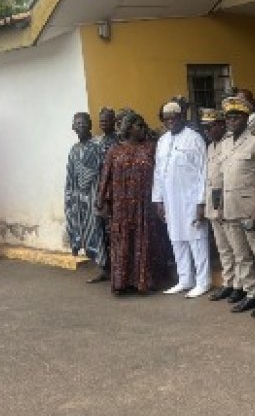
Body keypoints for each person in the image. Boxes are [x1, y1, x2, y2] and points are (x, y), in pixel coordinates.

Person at [220, 97, 255, 317]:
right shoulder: (225, 143)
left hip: (250, 208)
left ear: (245, 118)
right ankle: (251, 293)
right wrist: (221, 207)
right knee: (241, 255)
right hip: (230, 208)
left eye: (236, 117)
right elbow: (223, 179)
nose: (231, 121)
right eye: (228, 117)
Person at [152, 101, 210, 298]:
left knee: (197, 239)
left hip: (191, 199)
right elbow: (158, 172)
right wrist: (158, 200)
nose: (170, 122)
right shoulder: (162, 141)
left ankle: (203, 281)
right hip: (170, 200)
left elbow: (204, 171)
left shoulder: (194, 138)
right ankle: (185, 279)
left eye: (173, 118)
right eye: (166, 119)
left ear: (181, 117)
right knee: (177, 239)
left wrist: (201, 201)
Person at [96, 112, 159, 294]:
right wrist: (101, 200)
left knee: (142, 240)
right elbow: (105, 176)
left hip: (143, 204)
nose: (143, 129)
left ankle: (141, 282)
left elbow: (159, 174)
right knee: (122, 241)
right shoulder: (115, 151)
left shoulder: (149, 149)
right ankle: (121, 283)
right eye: (139, 126)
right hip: (121, 205)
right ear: (130, 128)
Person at [202, 108, 242, 303]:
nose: (207, 131)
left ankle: (240, 285)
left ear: (220, 125)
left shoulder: (229, 143)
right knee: (223, 248)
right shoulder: (210, 146)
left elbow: (228, 177)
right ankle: (228, 282)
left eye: (210, 127)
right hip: (213, 202)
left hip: (227, 203)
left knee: (237, 248)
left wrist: (221, 206)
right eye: (205, 128)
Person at [65, 112, 104, 261]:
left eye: (83, 123)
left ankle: (103, 265)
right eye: (78, 123)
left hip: (95, 196)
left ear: (90, 125)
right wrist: (70, 198)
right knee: (83, 229)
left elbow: (103, 171)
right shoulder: (74, 150)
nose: (81, 126)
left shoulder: (98, 146)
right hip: (79, 199)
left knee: (97, 230)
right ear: (73, 127)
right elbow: (70, 176)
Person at [87, 107, 119, 283]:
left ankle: (118, 269)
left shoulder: (119, 141)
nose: (103, 123)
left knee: (114, 232)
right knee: (100, 232)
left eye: (107, 120)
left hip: (116, 192)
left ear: (114, 121)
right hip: (99, 191)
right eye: (101, 121)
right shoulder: (96, 143)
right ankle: (104, 268)